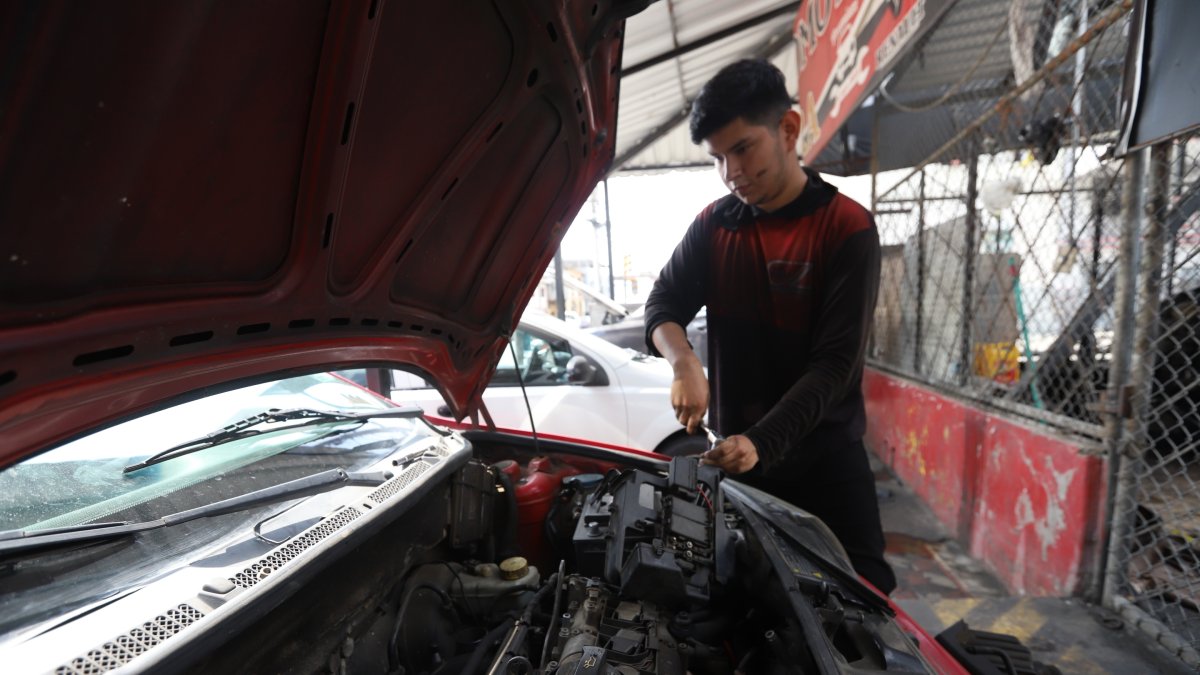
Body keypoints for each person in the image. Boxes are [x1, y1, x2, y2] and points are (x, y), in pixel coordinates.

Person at [644, 59, 896, 593]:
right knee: (754, 593)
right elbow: (663, 303)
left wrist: (762, 440)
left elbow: (834, 367)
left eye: (741, 149)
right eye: (717, 158)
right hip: (742, 456)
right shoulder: (715, 225)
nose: (730, 172)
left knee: (864, 596)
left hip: (825, 459)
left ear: (787, 129)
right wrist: (683, 361)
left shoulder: (845, 228)